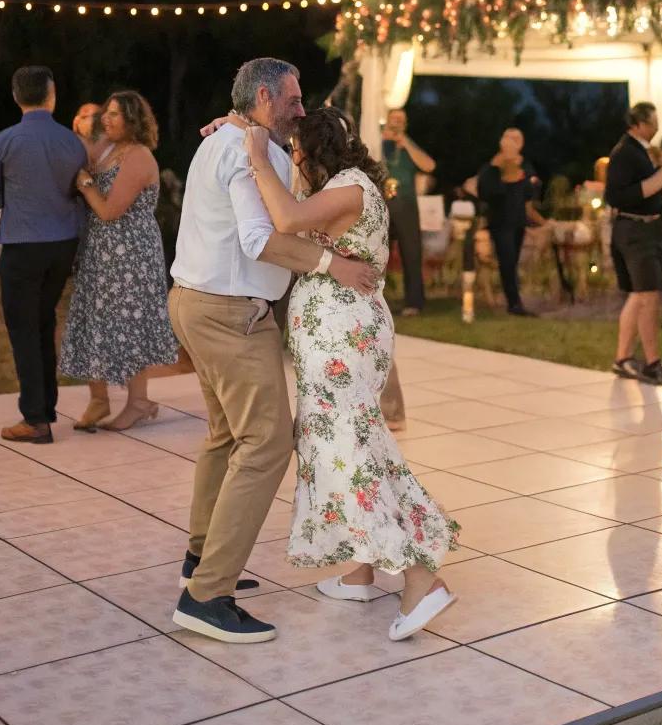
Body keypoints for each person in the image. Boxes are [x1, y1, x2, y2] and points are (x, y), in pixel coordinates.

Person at [168, 58, 378, 646]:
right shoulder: (243, 149)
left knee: (227, 437)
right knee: (267, 443)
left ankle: (200, 556)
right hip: (229, 315)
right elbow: (260, 239)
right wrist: (333, 264)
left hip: (194, 302)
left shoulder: (229, 140)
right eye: (293, 98)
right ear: (263, 96)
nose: (302, 109)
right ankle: (207, 595)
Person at [245, 105, 459, 640]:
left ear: (310, 150)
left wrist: (255, 156)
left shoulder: (349, 187)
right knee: (347, 442)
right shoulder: (352, 182)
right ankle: (359, 572)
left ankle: (419, 579)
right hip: (339, 335)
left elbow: (287, 220)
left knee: (349, 451)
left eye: (295, 152)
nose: (292, 161)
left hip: (343, 337)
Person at [0, 66, 86, 443]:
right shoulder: (72, 143)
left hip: (24, 246)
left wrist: (18, 195)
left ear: (16, 96)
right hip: (62, 246)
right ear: (51, 96)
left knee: (24, 330)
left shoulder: (7, 141)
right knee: (42, 323)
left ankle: (35, 419)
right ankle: (46, 406)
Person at [60, 92, 178, 431]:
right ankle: (99, 400)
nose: (106, 120)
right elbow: (79, 152)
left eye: (114, 115)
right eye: (105, 114)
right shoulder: (109, 149)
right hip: (102, 251)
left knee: (129, 323)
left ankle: (139, 402)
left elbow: (110, 211)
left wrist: (84, 184)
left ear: (133, 120)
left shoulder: (139, 157)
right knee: (95, 320)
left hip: (132, 255)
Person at [605, 102, 662, 385]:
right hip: (637, 232)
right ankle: (652, 363)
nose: (656, 127)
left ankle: (623, 358)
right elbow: (631, 192)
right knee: (648, 296)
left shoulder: (637, 151)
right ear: (638, 124)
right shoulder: (627, 152)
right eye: (653, 122)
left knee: (639, 295)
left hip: (642, 230)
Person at [475, 128, 548, 317]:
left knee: (512, 261)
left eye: (516, 139)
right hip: (500, 222)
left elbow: (531, 191)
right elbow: (486, 192)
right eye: (509, 138)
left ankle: (512, 298)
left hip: (518, 221)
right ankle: (514, 303)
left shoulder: (525, 166)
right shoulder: (492, 167)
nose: (512, 142)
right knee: (507, 261)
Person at [382, 107, 435, 316]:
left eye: (400, 120)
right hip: (381, 202)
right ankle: (375, 300)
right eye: (393, 119)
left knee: (411, 251)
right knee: (377, 251)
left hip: (406, 202)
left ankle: (414, 302)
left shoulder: (408, 145)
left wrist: (406, 143)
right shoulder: (376, 140)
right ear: (386, 120)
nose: (396, 123)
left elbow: (430, 166)